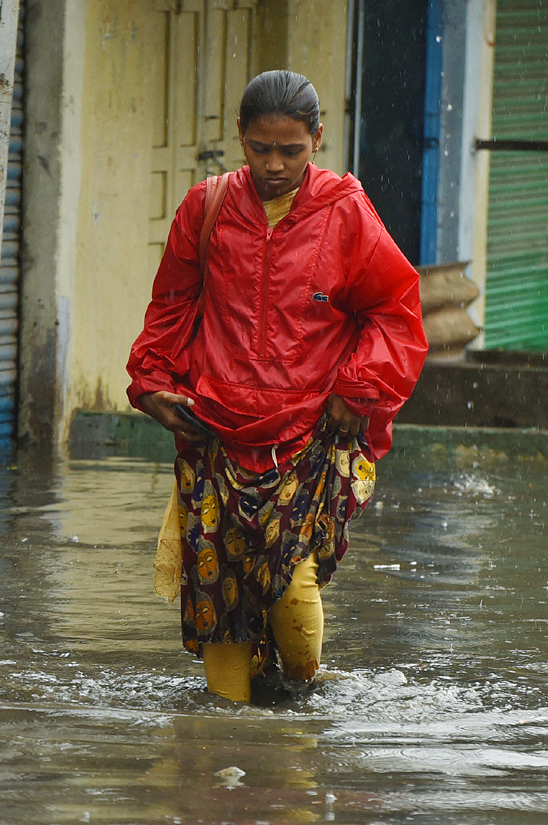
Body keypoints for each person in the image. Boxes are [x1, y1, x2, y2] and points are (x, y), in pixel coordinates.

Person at [127, 70, 428, 703]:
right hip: (213, 433)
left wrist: (359, 387)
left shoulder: (345, 212)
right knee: (220, 618)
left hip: (311, 437)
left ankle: (297, 727)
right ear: (239, 137)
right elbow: (172, 306)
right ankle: (228, 762)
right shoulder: (205, 207)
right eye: (261, 148)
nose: (274, 165)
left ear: (317, 140)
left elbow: (395, 312)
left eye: (290, 150)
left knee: (296, 604)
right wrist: (150, 382)